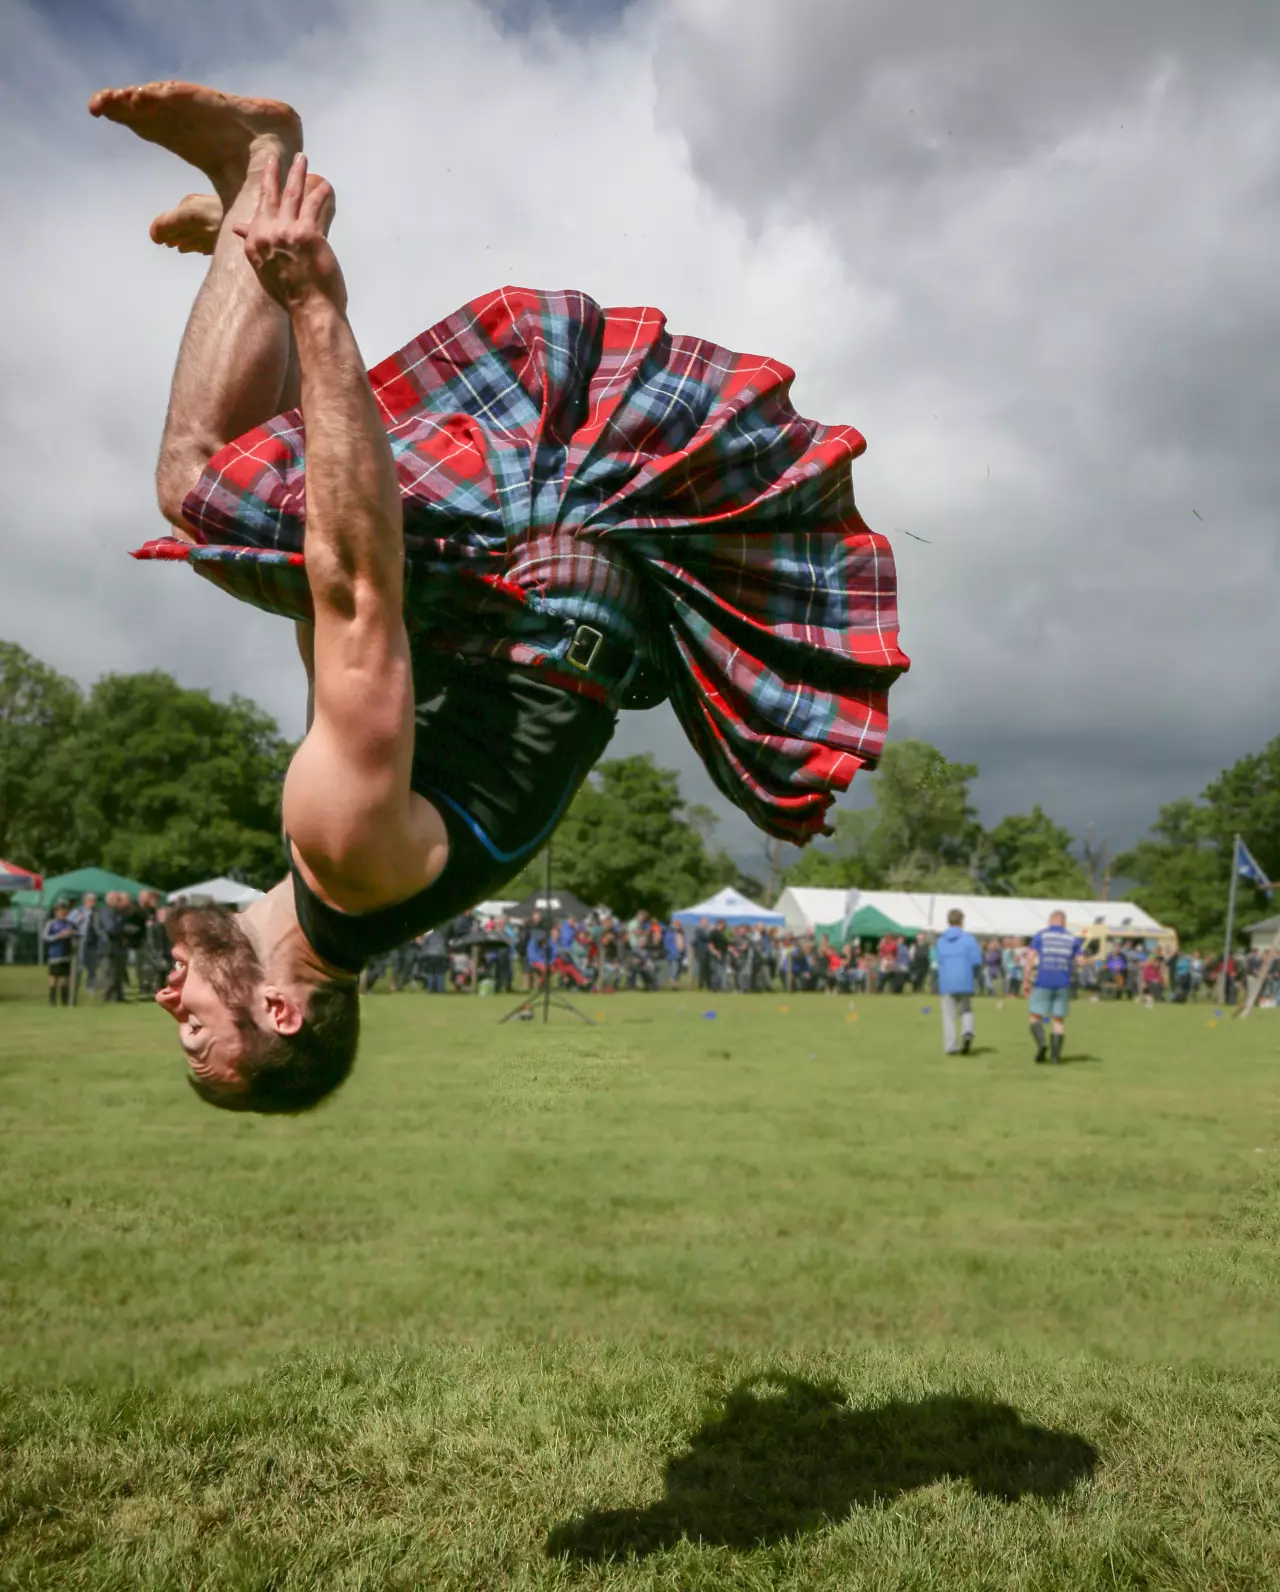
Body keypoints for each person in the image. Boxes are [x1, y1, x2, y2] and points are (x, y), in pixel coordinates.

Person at [91, 79, 907, 1112]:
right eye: (199, 1034)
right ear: (281, 1013)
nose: (171, 1002)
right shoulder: (343, 853)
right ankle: (263, 159)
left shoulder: (348, 887)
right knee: (197, 485)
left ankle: (247, 203)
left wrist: (254, 278)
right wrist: (309, 301)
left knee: (263, 513)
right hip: (549, 554)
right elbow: (355, 590)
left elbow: (314, 598)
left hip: (581, 588)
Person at [1024, 909, 1082, 1064]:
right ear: (1064, 922)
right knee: (1058, 1020)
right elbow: (1081, 962)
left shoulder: (1041, 935)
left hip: (1043, 980)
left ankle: (1042, 1043)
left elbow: (1030, 959)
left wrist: (1026, 980)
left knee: (1035, 1016)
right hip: (1063, 982)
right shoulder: (1072, 938)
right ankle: (1055, 1057)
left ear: (1050, 921)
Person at [935, 908, 983, 1055]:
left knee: (948, 1016)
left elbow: (939, 961)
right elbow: (976, 961)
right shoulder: (969, 939)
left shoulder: (941, 941)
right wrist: (975, 977)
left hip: (946, 981)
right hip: (965, 979)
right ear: (962, 921)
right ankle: (967, 1031)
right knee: (966, 1010)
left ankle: (950, 1046)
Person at [42, 902, 77, 1007]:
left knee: (66, 978)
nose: (62, 913)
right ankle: (52, 1000)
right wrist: (58, 936)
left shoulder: (70, 924)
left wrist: (72, 934)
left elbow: (77, 934)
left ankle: (65, 1000)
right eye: (60, 911)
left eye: (64, 910)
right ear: (56, 912)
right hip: (55, 955)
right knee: (54, 977)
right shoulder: (51, 923)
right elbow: (45, 937)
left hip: (67, 954)